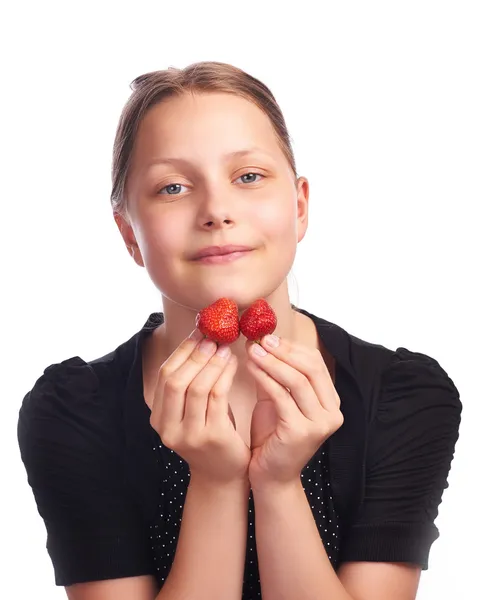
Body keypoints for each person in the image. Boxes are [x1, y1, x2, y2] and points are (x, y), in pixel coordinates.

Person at [17, 61, 462, 600]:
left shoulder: (404, 395)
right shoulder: (73, 409)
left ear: (299, 206)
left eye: (248, 176)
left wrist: (277, 484)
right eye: (174, 187)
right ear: (129, 234)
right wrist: (217, 481)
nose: (217, 210)